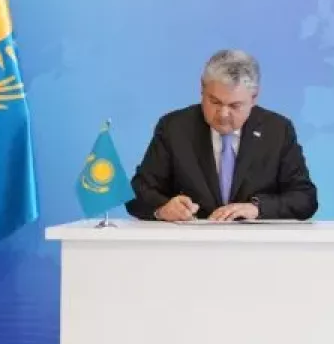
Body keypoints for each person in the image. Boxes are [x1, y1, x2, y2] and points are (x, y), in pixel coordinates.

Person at [126, 49, 318, 221]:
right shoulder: (174, 127)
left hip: (255, 244)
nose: (223, 114)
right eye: (215, 102)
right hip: (191, 244)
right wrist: (162, 208)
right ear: (202, 88)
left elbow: (305, 198)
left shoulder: (277, 130)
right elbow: (137, 193)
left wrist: (257, 209)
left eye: (235, 105)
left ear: (254, 97)